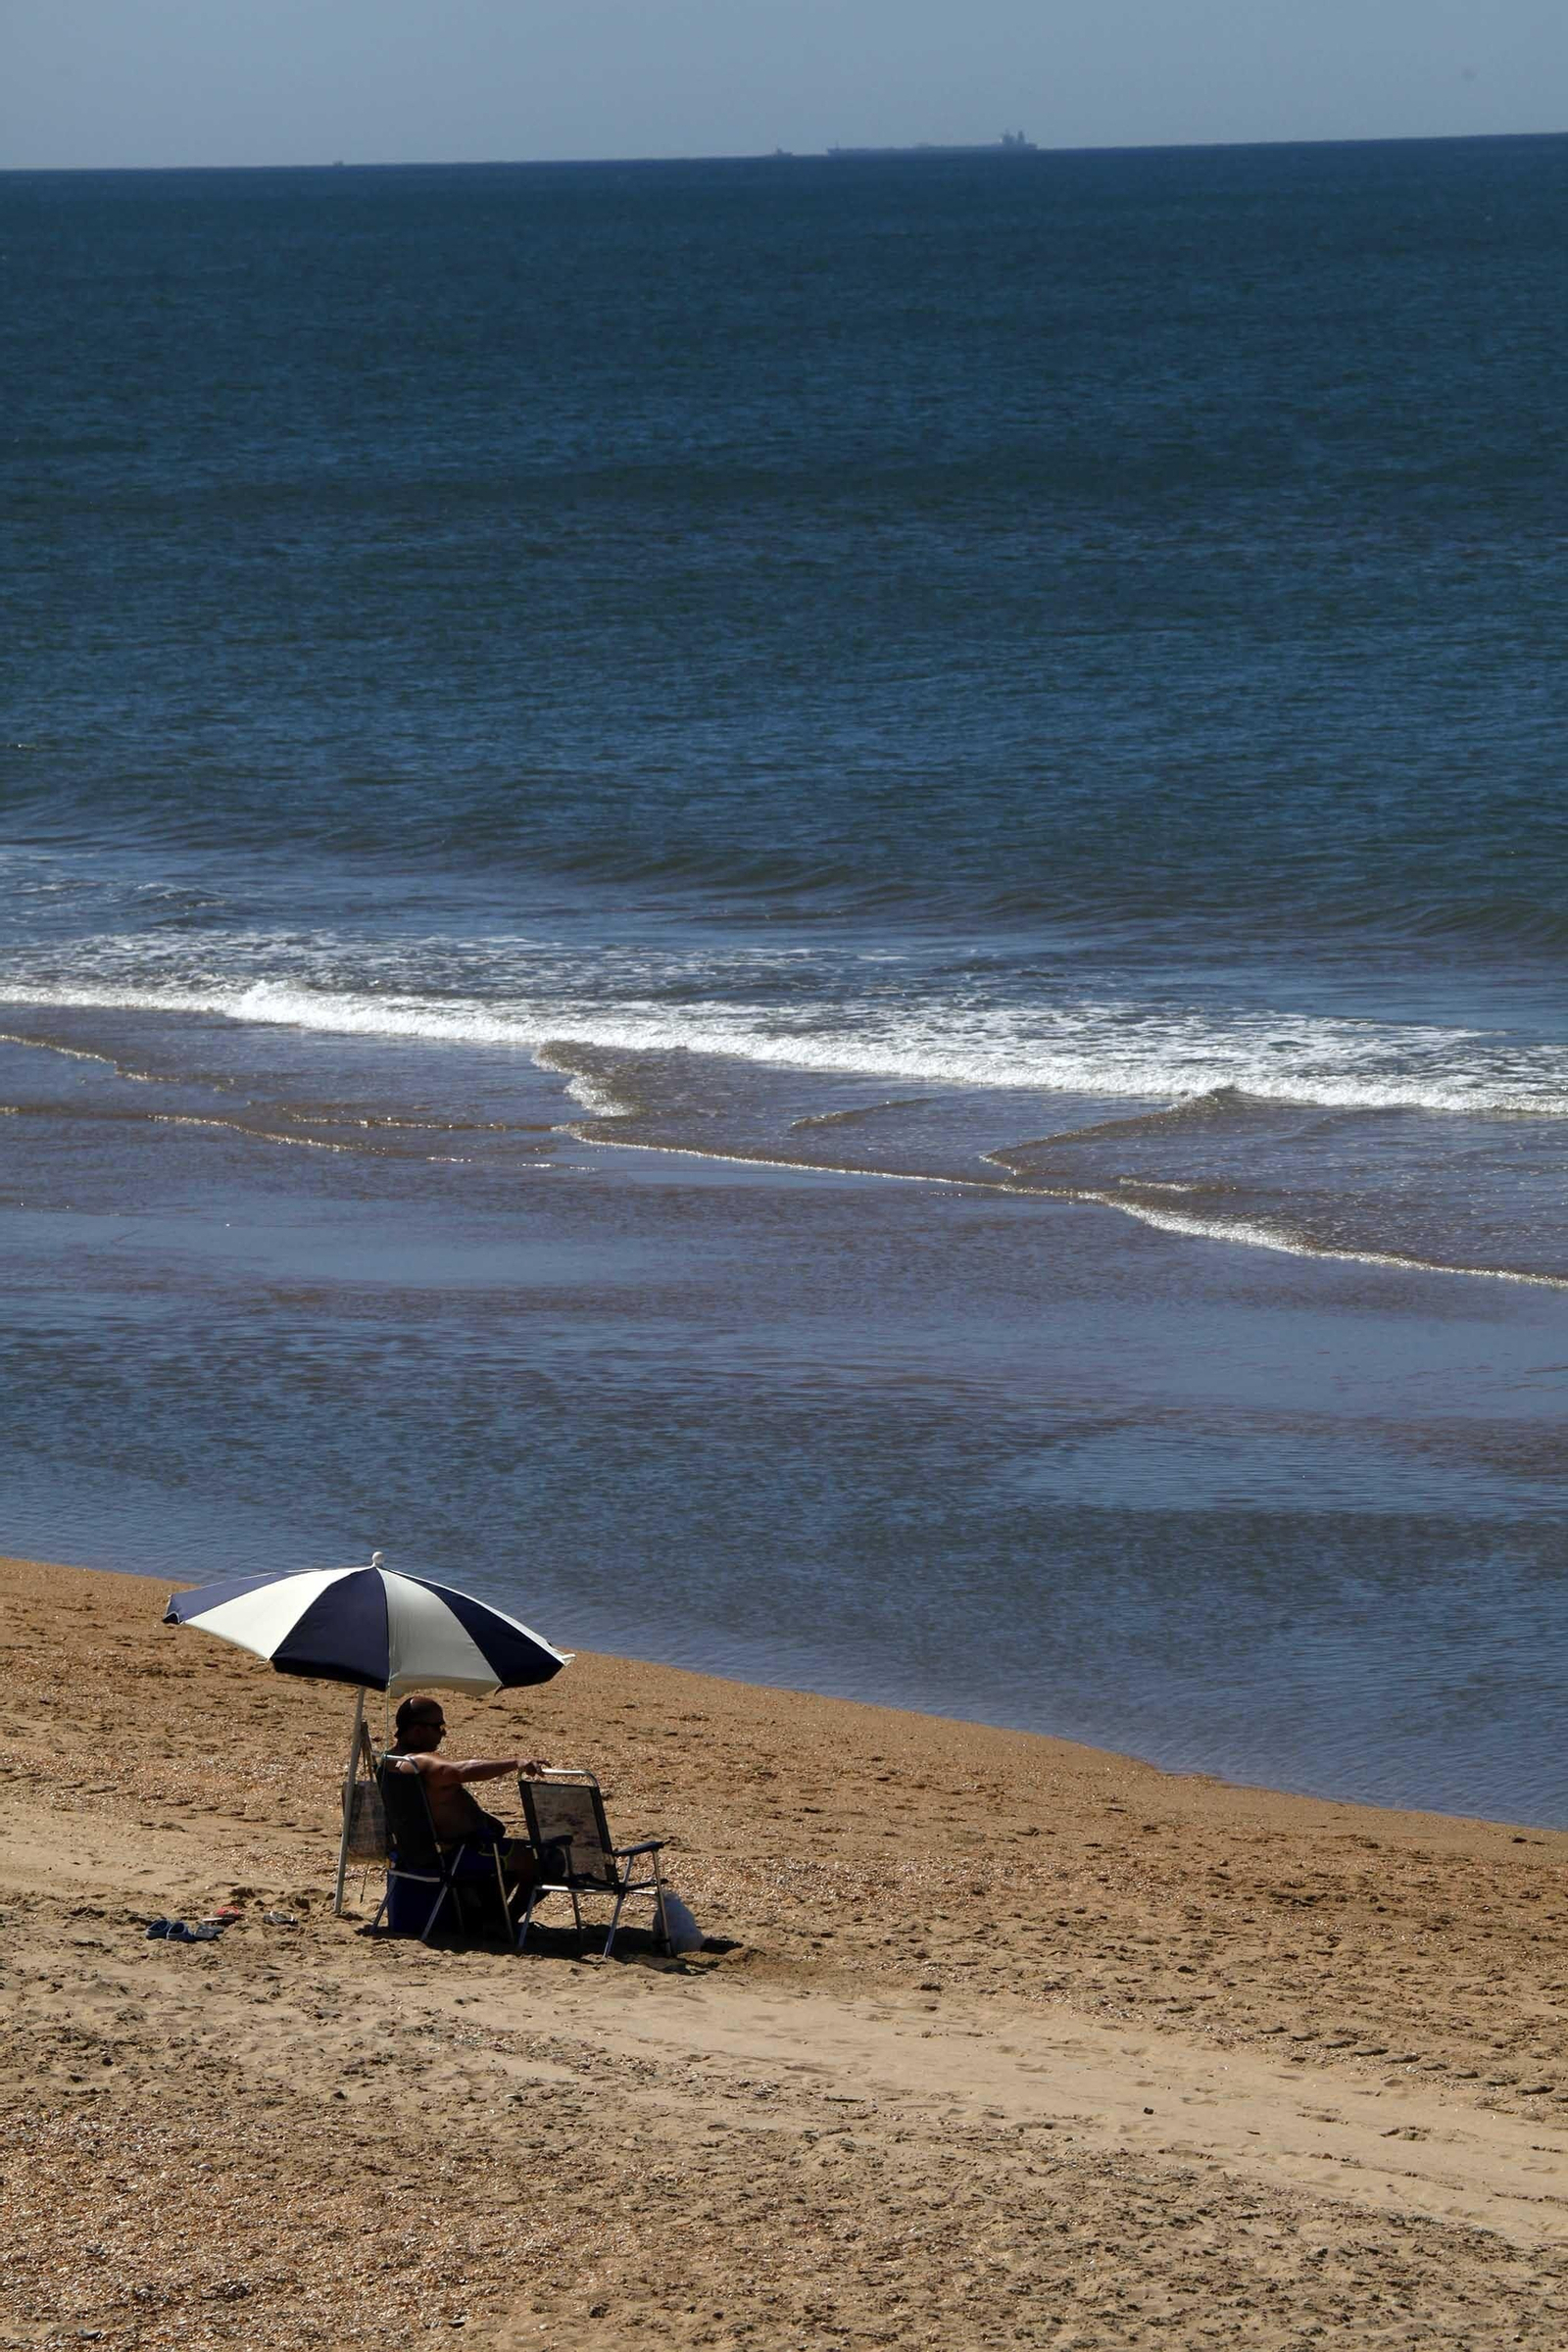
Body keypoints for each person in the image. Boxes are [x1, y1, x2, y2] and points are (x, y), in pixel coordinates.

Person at [383, 1694, 548, 1890]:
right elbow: (460, 1771)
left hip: (412, 1854)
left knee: (503, 1844)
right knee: (543, 1859)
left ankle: (486, 1914)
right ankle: (507, 1919)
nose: (443, 1734)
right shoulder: (420, 1762)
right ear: (418, 1731)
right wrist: (516, 1762)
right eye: (439, 1727)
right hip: (453, 1856)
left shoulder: (387, 1762)